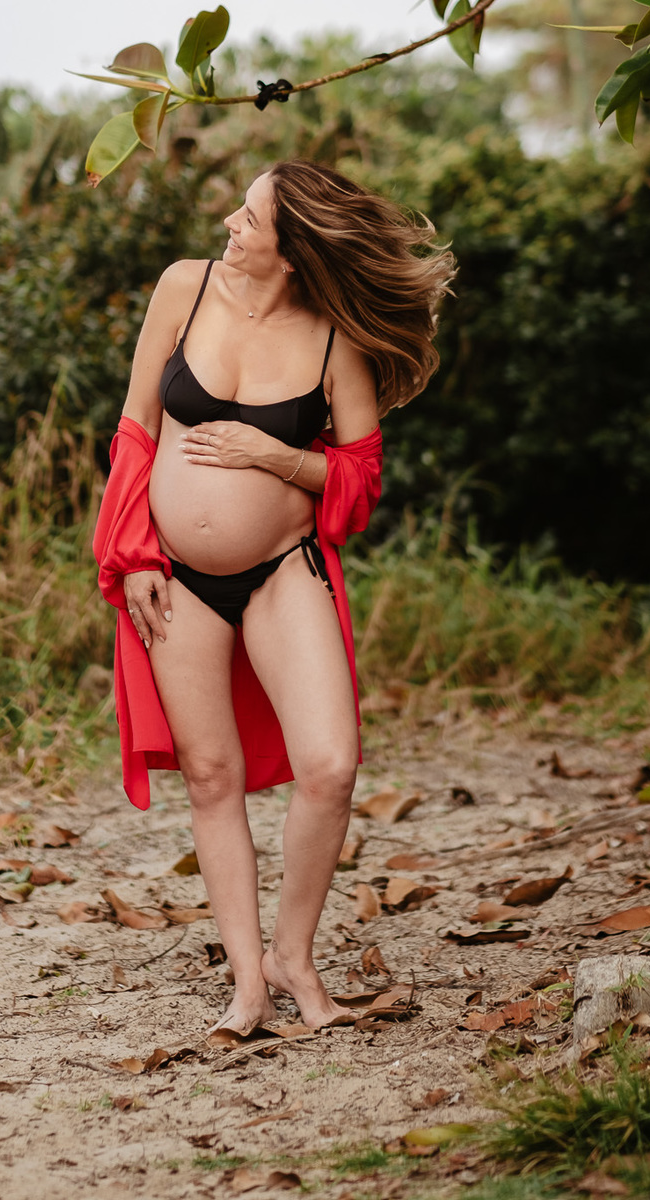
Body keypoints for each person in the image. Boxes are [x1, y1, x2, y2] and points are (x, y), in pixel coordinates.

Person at [93, 160, 455, 1036]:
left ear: (293, 251)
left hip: (284, 568)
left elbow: (360, 480)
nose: (230, 222)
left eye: (249, 218)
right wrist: (134, 552)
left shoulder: (335, 339)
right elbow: (137, 427)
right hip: (174, 577)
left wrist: (273, 458)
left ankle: (296, 955)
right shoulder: (183, 288)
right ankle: (248, 984)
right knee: (212, 777)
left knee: (331, 767)